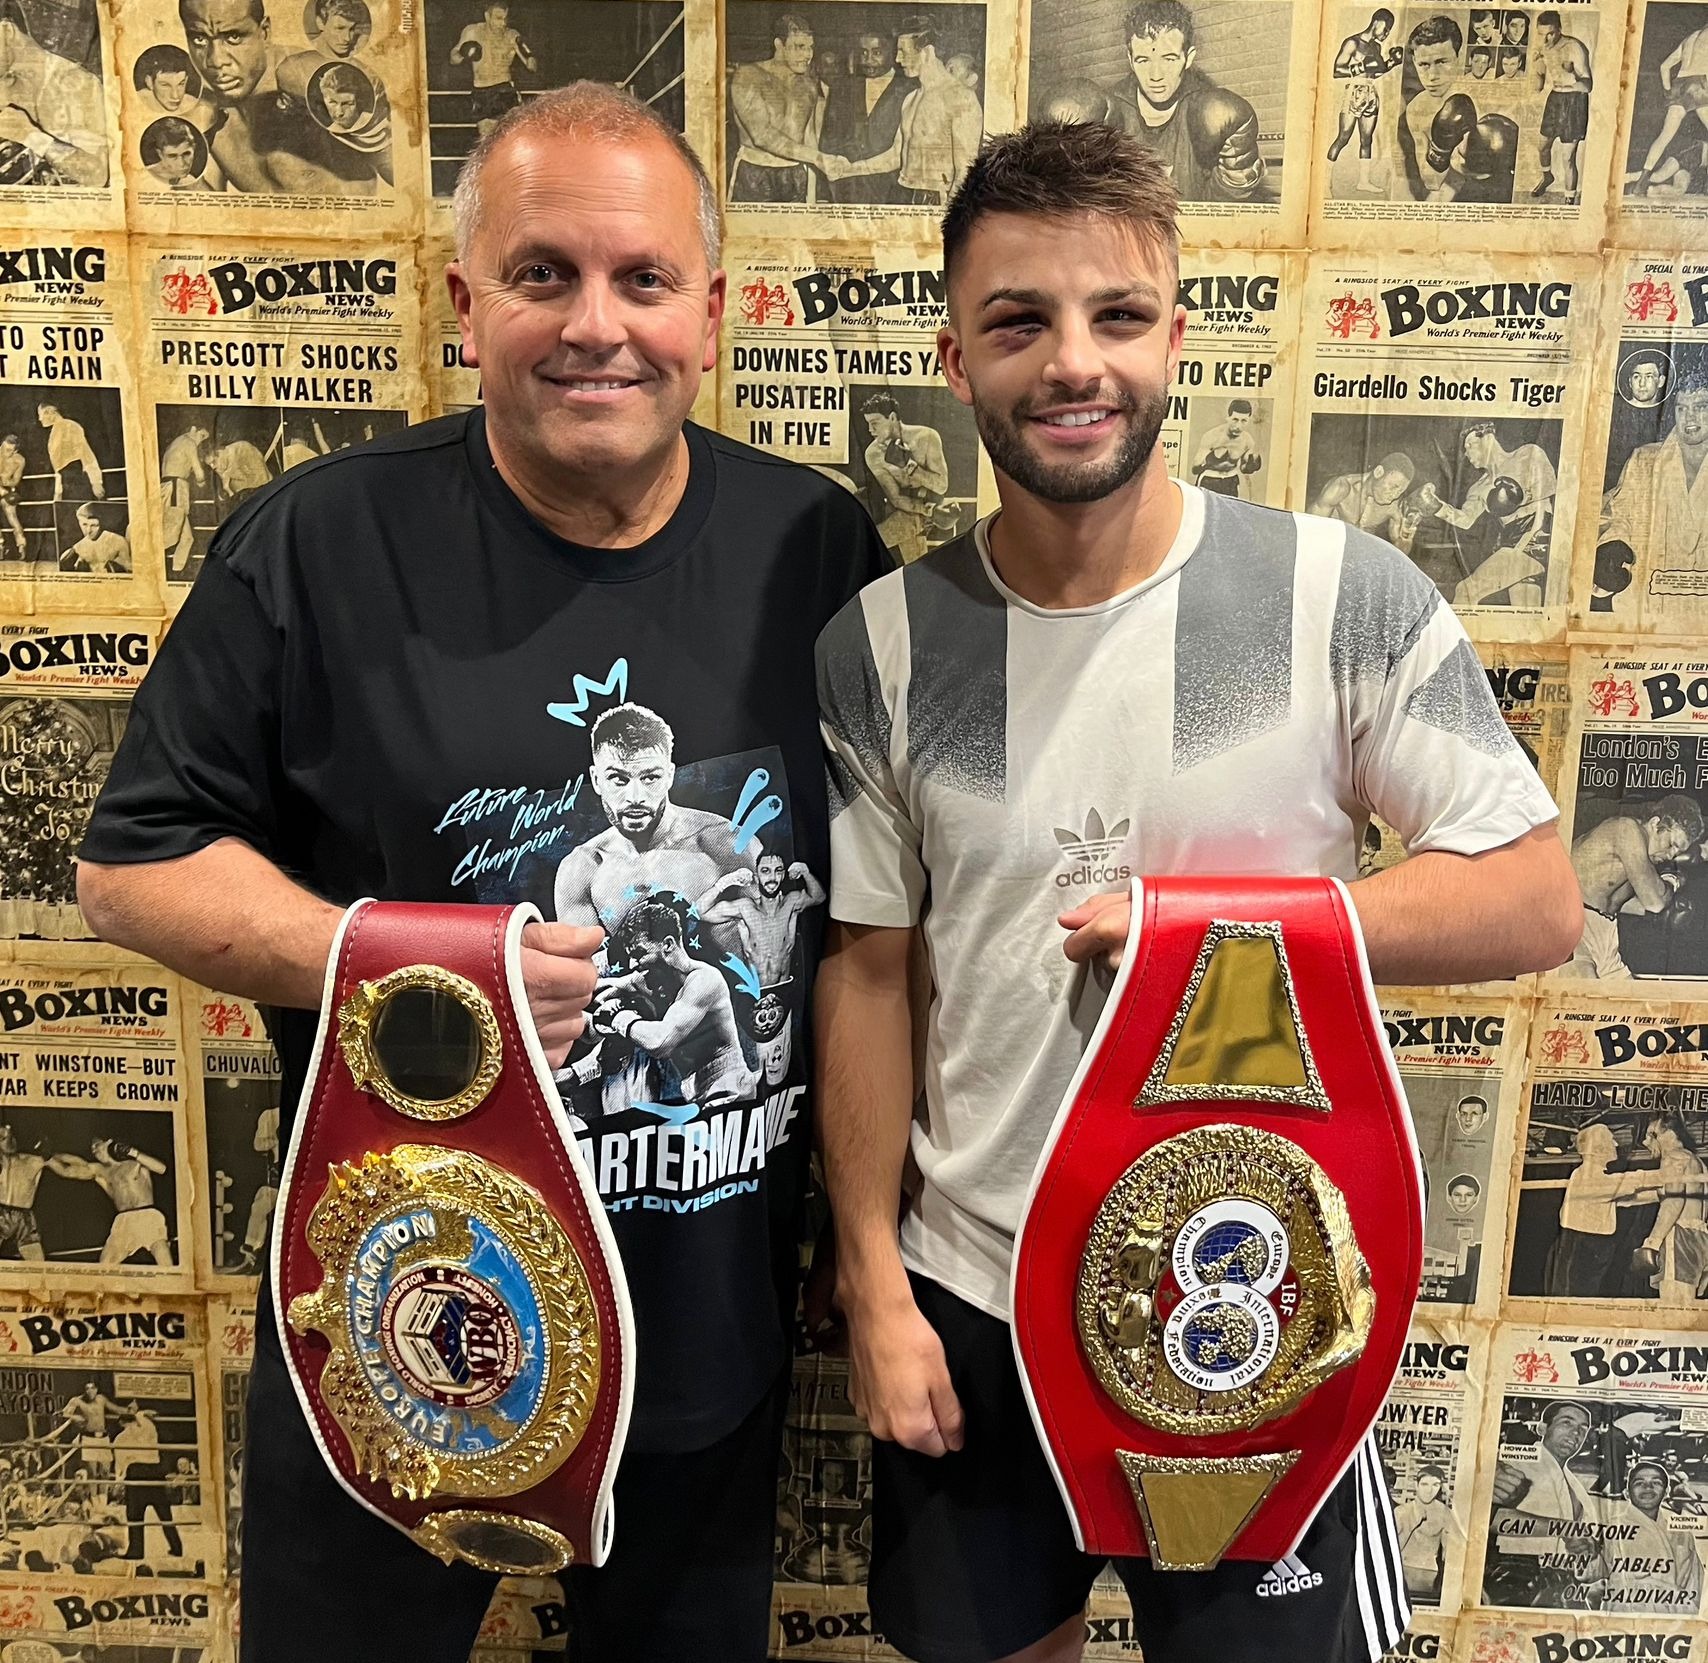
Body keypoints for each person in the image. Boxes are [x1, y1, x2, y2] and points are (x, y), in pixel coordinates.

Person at [75, 81, 887, 1663]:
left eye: (643, 279)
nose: (599, 325)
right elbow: (133, 865)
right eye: (543, 275)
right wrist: (405, 959)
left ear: (712, 312)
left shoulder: (817, 548)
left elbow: (874, 915)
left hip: (701, 1320)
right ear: (466, 305)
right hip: (396, 1313)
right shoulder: (315, 547)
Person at [814, 119, 1578, 1663]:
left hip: (1261, 1284)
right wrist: (875, 1286)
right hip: (974, 1291)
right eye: (1020, 320)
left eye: (1116, 315)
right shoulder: (879, 643)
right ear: (956, 355)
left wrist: (1228, 937)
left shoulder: (1335, 593)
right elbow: (873, 976)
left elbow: (1534, 896)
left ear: (1180, 334)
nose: (1071, 362)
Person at [178, 0, 388, 195]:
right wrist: (184, 178)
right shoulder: (209, 115)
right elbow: (211, 217)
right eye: (199, 38)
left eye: (233, 37)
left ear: (265, 32)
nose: (215, 61)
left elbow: (404, 174)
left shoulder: (308, 76)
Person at [590, 898, 759, 1109]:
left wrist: (619, 1018)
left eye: (640, 953)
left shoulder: (705, 980)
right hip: (694, 1092)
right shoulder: (652, 979)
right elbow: (599, 990)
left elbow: (660, 1042)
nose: (634, 964)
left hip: (728, 1088)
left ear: (668, 945)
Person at [1105, 1, 1264, 201]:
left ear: (1188, 58)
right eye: (1143, 60)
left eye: (1169, 59)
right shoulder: (1109, 111)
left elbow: (1224, 209)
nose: (1155, 76)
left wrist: (1238, 176)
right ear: (1130, 59)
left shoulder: (1208, 110)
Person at [829, 20, 984, 208]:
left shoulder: (960, 97)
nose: (898, 59)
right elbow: (896, 156)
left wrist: (951, 215)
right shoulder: (911, 99)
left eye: (903, 51)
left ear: (927, 52)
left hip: (935, 198)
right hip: (902, 193)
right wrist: (850, 169)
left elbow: (965, 170)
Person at [1599, 365, 1708, 611]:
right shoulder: (1644, 458)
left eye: (1700, 407)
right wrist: (1613, 544)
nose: (1690, 418)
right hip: (1649, 599)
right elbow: (1618, 513)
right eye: (1682, 408)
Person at [1566, 796, 1705, 979]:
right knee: (1586, 1000)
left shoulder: (1642, 860)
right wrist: (1672, 881)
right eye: (1671, 844)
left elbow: (1614, 902)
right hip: (1569, 927)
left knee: (1635, 1006)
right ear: (1655, 824)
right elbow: (1654, 902)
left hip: (1604, 933)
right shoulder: (1626, 830)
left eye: (1678, 853)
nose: (1671, 855)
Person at [0, 0, 106, 187]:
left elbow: (99, 174)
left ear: (7, 30)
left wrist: (30, 135)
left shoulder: (77, 84)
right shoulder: (6, 83)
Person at [728, 13, 830, 202]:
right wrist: (816, 157)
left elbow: (810, 138)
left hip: (796, 174)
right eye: (799, 47)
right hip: (755, 172)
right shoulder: (749, 75)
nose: (807, 55)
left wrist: (812, 197)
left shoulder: (808, 85)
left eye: (810, 47)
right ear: (779, 45)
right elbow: (761, 135)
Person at [1543, 1123, 1657, 1292]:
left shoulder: (1600, 1180)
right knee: (1573, 1301)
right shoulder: (1586, 1175)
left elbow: (1627, 1199)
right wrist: (1665, 1175)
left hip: (1595, 1247)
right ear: (1597, 1148)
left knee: (1590, 1297)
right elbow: (1625, 1183)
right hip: (1580, 1246)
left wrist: (1661, 1194)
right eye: (1611, 1140)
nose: (1616, 1144)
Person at [697, 851, 827, 986]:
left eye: (778, 871)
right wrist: (725, 882)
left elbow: (819, 897)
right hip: (754, 993)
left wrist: (805, 873)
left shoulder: (791, 902)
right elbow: (701, 912)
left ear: (783, 875)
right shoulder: (745, 907)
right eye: (765, 871)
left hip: (785, 988)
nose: (772, 877)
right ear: (757, 877)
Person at [819, 29, 912, 205]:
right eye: (863, 53)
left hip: (891, 191)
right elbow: (828, 141)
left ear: (892, 52)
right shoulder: (842, 87)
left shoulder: (910, 88)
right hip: (846, 190)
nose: (868, 60)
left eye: (877, 53)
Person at [860, 392, 953, 559]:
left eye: (875, 423)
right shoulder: (873, 454)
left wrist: (910, 466)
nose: (870, 430)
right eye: (868, 424)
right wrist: (927, 510)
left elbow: (941, 485)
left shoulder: (927, 437)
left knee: (866, 546)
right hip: (907, 511)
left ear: (893, 417)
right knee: (911, 563)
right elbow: (895, 498)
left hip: (929, 506)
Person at [1601, 1459, 1704, 1610]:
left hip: (1674, 1615)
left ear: (1667, 1491)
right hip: (1627, 1612)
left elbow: (1695, 1581)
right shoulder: (1611, 1527)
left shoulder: (1682, 1532)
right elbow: (1593, 1576)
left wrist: (1688, 1612)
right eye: (1639, 1483)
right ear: (1626, 1493)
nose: (1647, 1487)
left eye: (1656, 1482)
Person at [1631, 1115, 1708, 1304]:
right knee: (1686, 1310)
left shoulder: (1674, 1156)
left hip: (1680, 1237)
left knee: (1673, 1310)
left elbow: (1673, 1202)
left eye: (1651, 1134)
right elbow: (1666, 1194)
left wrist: (1652, 1242)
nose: (1645, 1142)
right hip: (1700, 1237)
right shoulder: (1697, 1162)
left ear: (1670, 1133)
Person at [1325, 9, 1400, 195]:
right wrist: (1361, 66)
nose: (1386, 33)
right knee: (1343, 137)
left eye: (1390, 30)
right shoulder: (1353, 43)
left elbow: (1375, 73)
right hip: (1353, 91)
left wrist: (1391, 63)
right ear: (1377, 22)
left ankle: (1363, 181)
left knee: (1367, 140)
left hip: (1370, 92)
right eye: (1386, 28)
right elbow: (1336, 71)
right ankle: (1325, 182)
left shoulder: (1376, 48)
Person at [1630, 21, 1708, 192]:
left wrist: (1668, 92)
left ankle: (1641, 182)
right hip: (1700, 84)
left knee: (1664, 136)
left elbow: (1664, 66)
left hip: (1679, 84)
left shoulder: (1690, 37)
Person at [1530, 11, 1591, 200]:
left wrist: (1569, 81)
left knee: (1567, 157)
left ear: (1559, 30)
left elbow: (1588, 85)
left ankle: (1569, 198)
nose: (1546, 38)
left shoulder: (1574, 47)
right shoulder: (1543, 48)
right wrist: (1536, 66)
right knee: (1542, 146)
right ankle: (1547, 176)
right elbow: (1538, 87)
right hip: (1555, 99)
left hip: (1574, 102)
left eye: (1551, 33)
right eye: (1542, 34)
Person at [451, 2, 536, 137]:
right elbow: (453, 59)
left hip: (505, 89)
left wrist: (529, 58)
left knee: (513, 135)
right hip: (481, 90)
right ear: (487, 16)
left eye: (505, 18)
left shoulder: (511, 35)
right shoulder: (472, 32)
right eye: (498, 18)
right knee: (486, 138)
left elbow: (532, 66)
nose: (503, 23)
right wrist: (463, 52)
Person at [1308, 450, 1415, 539]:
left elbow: (1401, 552)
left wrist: (1406, 539)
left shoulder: (1394, 507)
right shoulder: (1341, 487)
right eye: (1394, 487)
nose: (1394, 495)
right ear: (1378, 472)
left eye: (1400, 491)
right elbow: (1310, 528)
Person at [1393, 1466, 1454, 1601]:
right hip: (1401, 1570)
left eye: (1435, 1485)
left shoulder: (1445, 1513)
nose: (1429, 1490)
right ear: (1416, 1485)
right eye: (1425, 1484)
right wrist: (1414, 1524)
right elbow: (1389, 1549)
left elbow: (1448, 1554)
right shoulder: (1401, 1512)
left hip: (1429, 1574)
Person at [159, 420, 208, 574]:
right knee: (168, 535)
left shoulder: (175, 442)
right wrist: (202, 482)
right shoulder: (189, 442)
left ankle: (176, 572)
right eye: (201, 435)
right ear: (193, 429)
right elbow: (199, 473)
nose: (201, 440)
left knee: (187, 538)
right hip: (176, 487)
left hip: (168, 486)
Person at [1189, 398, 1262, 497]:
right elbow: (1194, 470)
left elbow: (1244, 469)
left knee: (1229, 511)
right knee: (1206, 511)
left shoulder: (1247, 440)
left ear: (1248, 420)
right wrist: (1208, 460)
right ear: (1228, 417)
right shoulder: (1212, 436)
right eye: (1235, 420)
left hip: (1231, 480)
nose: (1238, 426)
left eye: (1244, 421)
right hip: (1209, 479)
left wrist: (1251, 466)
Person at [37, 403, 101, 503]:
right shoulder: (56, 431)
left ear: (50, 411)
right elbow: (59, 465)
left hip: (76, 477)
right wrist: (58, 491)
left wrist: (96, 482)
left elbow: (85, 453)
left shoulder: (69, 425)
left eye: (40, 414)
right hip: (67, 479)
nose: (39, 419)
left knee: (81, 514)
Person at [142, 116, 210, 189]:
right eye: (172, 156)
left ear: (193, 149)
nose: (182, 164)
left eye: (186, 154)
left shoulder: (189, 180)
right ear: (160, 154)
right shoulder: (143, 176)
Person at [62, 503, 130, 573]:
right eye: (84, 524)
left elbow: (131, 571)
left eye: (94, 525)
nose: (88, 530)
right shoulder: (78, 548)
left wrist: (118, 568)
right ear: (79, 523)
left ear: (101, 523)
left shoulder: (118, 542)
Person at [0, 432, 26, 558]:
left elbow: (16, 480)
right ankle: (0, 546)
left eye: (9, 450)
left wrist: (5, 482)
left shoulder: (19, 460)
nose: (5, 452)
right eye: (4, 448)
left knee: (12, 516)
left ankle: (21, 545)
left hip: (9, 491)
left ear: (15, 451)